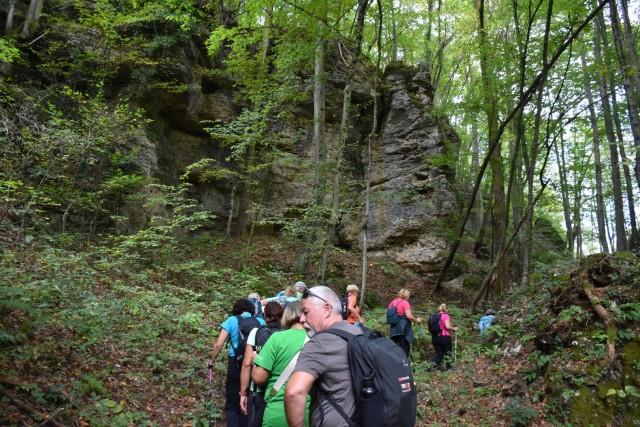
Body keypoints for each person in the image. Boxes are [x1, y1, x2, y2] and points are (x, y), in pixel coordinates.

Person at [284, 286, 363, 427]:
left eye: (306, 312)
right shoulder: (359, 333)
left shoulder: (319, 344)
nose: (301, 319)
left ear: (327, 309)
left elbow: (294, 393)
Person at [252, 301, 310, 427]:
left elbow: (259, 377)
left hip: (278, 409)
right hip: (307, 412)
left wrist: (255, 360)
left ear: (287, 315)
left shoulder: (277, 338)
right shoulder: (317, 340)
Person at [209, 299, 266, 427]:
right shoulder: (261, 322)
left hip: (235, 364)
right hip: (253, 364)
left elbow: (219, 344)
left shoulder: (232, 320)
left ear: (236, 309)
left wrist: (211, 361)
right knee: (247, 402)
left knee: (232, 403)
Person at [239, 302, 285, 427]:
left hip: (258, 391)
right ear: (282, 316)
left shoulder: (256, 332)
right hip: (280, 391)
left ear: (265, 316)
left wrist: (243, 392)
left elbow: (246, 364)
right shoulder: (287, 334)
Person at [387, 289, 422, 357]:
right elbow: (409, 316)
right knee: (404, 349)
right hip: (403, 329)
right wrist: (416, 320)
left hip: (393, 329)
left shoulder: (391, 303)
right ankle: (404, 365)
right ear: (406, 295)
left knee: (395, 349)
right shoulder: (404, 302)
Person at [431, 303, 459, 370]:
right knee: (448, 353)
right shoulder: (445, 316)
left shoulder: (435, 316)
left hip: (435, 338)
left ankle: (431, 368)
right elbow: (447, 326)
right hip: (444, 337)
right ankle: (449, 369)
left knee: (439, 355)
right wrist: (454, 329)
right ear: (445, 309)